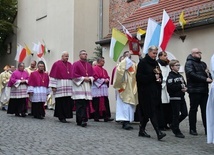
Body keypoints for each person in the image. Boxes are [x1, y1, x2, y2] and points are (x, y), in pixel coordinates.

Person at [136, 46, 166, 140]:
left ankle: (141, 130)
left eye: (156, 53)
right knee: (152, 111)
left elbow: (159, 74)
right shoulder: (143, 63)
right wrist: (153, 78)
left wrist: (160, 79)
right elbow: (139, 78)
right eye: (153, 53)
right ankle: (158, 132)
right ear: (149, 52)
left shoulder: (155, 63)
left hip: (155, 91)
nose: (155, 55)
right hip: (145, 92)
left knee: (147, 113)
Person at [185, 48, 212, 135]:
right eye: (197, 53)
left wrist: (209, 75)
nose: (199, 54)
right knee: (193, 110)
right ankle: (192, 129)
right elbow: (191, 74)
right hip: (194, 90)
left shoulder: (203, 64)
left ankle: (207, 129)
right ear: (192, 54)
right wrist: (205, 79)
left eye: (200, 52)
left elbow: (208, 74)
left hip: (204, 90)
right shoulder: (189, 63)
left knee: (205, 110)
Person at [113, 51, 138, 130]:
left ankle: (128, 121)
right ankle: (124, 122)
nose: (128, 56)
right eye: (126, 55)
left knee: (130, 106)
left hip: (131, 88)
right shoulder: (120, 65)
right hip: (123, 88)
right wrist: (126, 59)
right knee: (124, 106)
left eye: (129, 55)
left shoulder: (134, 65)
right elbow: (120, 72)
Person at [49, 51, 73, 123]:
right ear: (62, 56)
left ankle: (66, 115)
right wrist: (53, 86)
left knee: (67, 101)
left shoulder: (70, 64)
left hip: (68, 85)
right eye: (65, 56)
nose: (67, 57)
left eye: (68, 56)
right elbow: (53, 76)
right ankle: (61, 116)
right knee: (60, 101)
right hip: (60, 84)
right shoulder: (57, 64)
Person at [72, 50, 94, 127]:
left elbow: (92, 75)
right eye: (83, 54)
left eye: (86, 54)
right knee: (80, 104)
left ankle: (84, 119)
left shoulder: (89, 65)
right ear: (80, 55)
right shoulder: (75, 64)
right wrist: (83, 78)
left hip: (86, 87)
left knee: (85, 105)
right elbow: (74, 76)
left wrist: (90, 79)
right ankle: (79, 120)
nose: (85, 55)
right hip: (79, 87)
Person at [167, 59, 188, 138]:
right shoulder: (170, 76)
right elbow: (170, 87)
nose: (178, 67)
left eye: (179, 65)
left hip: (182, 97)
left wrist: (186, 88)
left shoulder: (180, 76)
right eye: (176, 65)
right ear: (172, 67)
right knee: (176, 114)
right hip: (175, 98)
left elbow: (184, 84)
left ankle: (173, 124)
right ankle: (176, 130)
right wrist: (180, 87)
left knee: (184, 113)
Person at [91, 57, 114, 122]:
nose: (104, 62)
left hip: (103, 89)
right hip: (97, 88)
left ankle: (106, 117)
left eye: (104, 61)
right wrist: (104, 80)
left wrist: (107, 80)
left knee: (105, 102)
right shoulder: (94, 69)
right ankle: (96, 117)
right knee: (96, 103)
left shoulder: (104, 70)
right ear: (99, 62)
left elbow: (107, 77)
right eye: (102, 61)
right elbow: (94, 78)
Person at [157, 52, 171, 130]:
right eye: (164, 56)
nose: (166, 57)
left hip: (167, 87)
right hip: (161, 87)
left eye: (166, 56)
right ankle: (161, 124)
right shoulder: (157, 65)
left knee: (167, 107)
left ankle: (166, 123)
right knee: (161, 107)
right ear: (160, 56)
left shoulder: (167, 65)